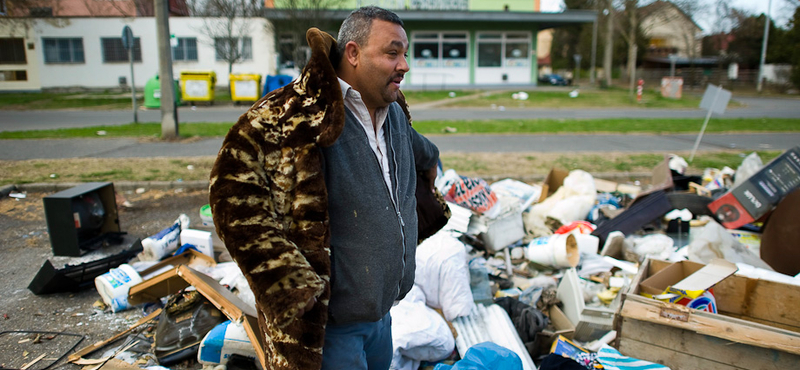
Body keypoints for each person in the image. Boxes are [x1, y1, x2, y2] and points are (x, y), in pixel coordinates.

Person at [209, 6, 443, 370]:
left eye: (405, 54)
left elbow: (417, 147)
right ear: (353, 53)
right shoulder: (291, 115)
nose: (404, 65)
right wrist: (296, 294)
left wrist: (431, 161)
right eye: (392, 52)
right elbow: (231, 200)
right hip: (328, 334)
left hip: (382, 318)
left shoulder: (391, 111)